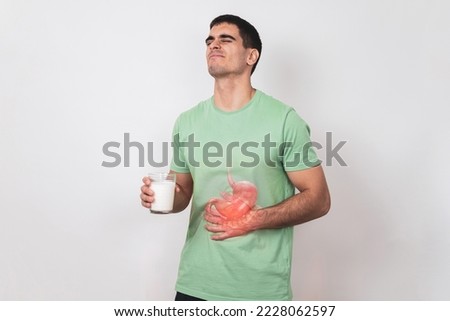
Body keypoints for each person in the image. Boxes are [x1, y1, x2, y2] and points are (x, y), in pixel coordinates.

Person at [140, 14, 330, 301]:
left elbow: (319, 199)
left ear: (251, 55)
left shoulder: (283, 120)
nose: (213, 45)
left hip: (260, 292)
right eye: (210, 41)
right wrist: (161, 199)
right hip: (196, 285)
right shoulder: (187, 122)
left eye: (225, 39)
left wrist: (253, 220)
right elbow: (182, 195)